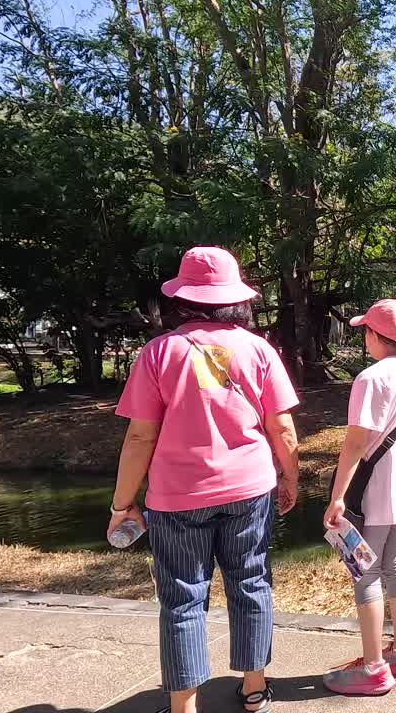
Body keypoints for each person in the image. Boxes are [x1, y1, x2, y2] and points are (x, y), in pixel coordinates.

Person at [108, 247, 301, 713]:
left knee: (182, 597)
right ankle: (254, 690)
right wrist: (290, 478)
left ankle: (184, 706)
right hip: (250, 488)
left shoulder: (159, 353)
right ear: (235, 299)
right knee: (251, 581)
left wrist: (121, 504)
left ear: (184, 298)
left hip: (176, 496)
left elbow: (139, 438)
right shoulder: (258, 349)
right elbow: (283, 428)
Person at [322, 298, 396, 696]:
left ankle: (373, 668)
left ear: (375, 335)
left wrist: (337, 498)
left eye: (365, 330)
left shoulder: (371, 378)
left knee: (365, 572)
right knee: (394, 564)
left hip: (374, 491)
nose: (364, 337)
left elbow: (354, 446)